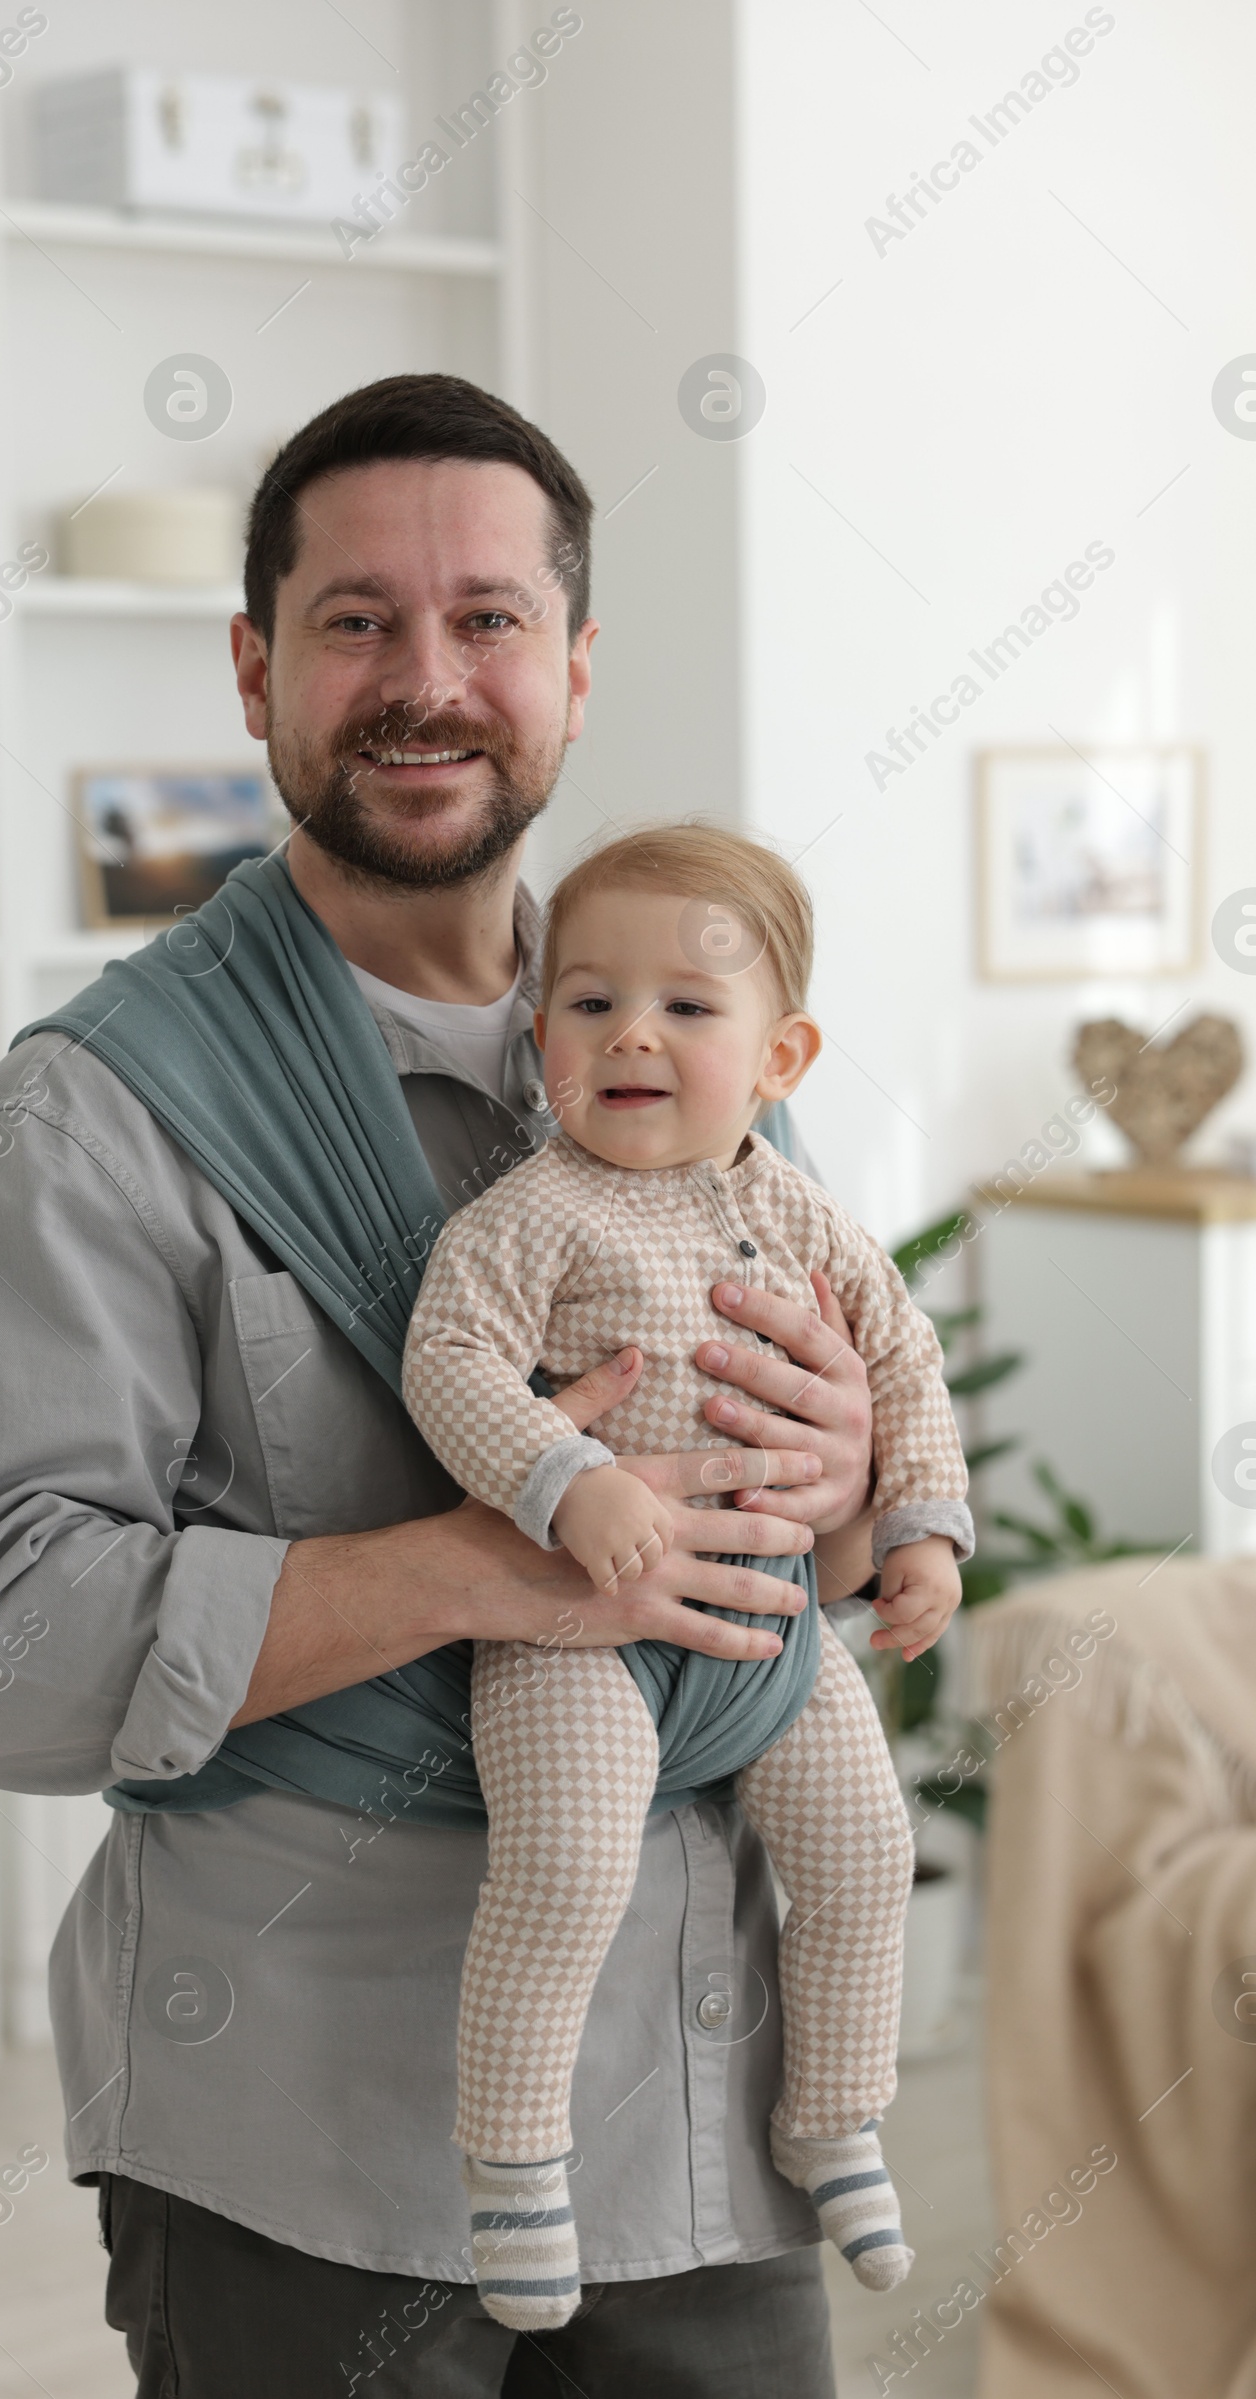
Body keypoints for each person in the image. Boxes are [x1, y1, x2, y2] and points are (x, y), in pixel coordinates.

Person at [0, 374, 883, 2397]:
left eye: (487, 620)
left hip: (712, 2115)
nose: (424, 680)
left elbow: (803, 1549)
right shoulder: (86, 1125)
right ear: (255, 669)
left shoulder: (692, 1041)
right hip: (302, 2151)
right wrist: (471, 1569)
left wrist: (851, 1477)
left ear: (574, 667)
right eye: (355, 622)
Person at [403, 822, 972, 2330]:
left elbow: (901, 1364)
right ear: (541, 1042)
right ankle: (517, 2165)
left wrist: (918, 1524)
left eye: (689, 1007)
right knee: (569, 1866)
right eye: (589, 1004)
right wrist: (563, 1478)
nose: (632, 1034)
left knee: (862, 1847)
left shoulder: (800, 1215)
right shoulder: (532, 1213)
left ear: (781, 1054)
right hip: (573, 1635)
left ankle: (832, 2118)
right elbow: (450, 1363)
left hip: (769, 1625)